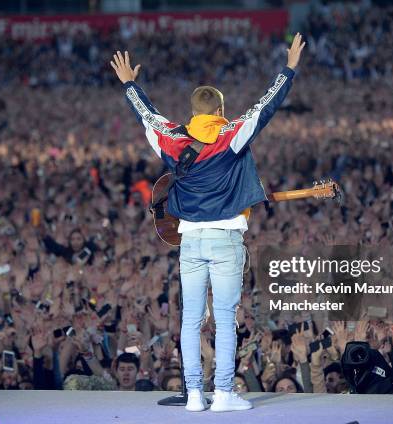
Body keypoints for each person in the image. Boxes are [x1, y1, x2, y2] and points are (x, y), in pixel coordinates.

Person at [110, 33, 306, 411]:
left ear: (192, 111)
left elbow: (146, 115)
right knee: (226, 319)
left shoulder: (170, 138)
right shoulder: (231, 135)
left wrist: (129, 84)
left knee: (190, 320)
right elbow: (266, 106)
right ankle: (224, 394)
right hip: (226, 238)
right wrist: (289, 69)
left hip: (190, 241)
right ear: (220, 109)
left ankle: (195, 395)